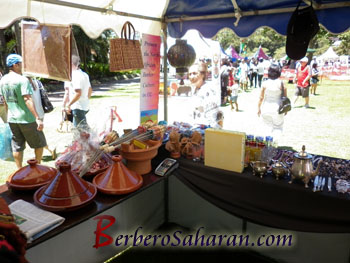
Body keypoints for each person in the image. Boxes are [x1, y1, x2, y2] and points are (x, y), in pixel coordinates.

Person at [0, 54, 46, 168]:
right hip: (27, 118)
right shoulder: (22, 80)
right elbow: (27, 99)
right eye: (21, 64)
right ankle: (37, 166)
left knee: (17, 146)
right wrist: (37, 118)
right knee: (39, 144)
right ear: (15, 65)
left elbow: (5, 100)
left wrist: (7, 115)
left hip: (12, 118)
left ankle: (19, 170)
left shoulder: (3, 80)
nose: (23, 66)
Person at [28, 77, 57, 159]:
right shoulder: (37, 82)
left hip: (32, 113)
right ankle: (48, 149)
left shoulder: (24, 83)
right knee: (38, 135)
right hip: (40, 112)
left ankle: (49, 149)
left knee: (36, 137)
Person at [257, 64, 287, 144]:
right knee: (278, 127)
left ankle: (267, 144)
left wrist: (258, 108)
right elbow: (285, 98)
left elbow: (261, 98)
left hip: (266, 107)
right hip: (278, 108)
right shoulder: (282, 83)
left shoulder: (265, 83)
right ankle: (274, 144)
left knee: (266, 127)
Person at [188, 62, 223, 128]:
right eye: (190, 74)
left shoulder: (208, 91)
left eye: (194, 73)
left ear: (202, 75)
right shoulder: (195, 90)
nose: (191, 77)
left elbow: (215, 117)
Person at [63, 55, 92, 128]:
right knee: (81, 129)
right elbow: (90, 90)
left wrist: (68, 105)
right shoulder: (84, 74)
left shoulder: (74, 75)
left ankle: (95, 138)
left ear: (71, 64)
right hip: (84, 106)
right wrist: (85, 99)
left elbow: (78, 93)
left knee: (81, 132)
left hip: (77, 107)